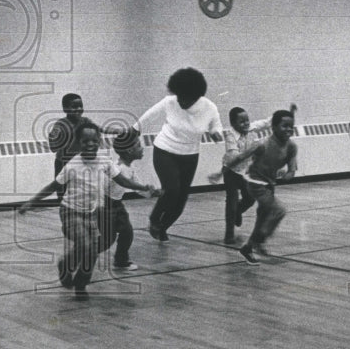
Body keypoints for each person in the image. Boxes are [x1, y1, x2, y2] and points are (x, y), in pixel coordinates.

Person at [19, 124, 156, 297]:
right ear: (79, 142)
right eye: (85, 141)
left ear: (99, 141)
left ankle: (78, 281)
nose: (90, 144)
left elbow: (124, 181)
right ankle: (68, 269)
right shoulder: (72, 165)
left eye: (94, 140)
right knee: (86, 245)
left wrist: (145, 187)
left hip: (91, 214)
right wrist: (31, 202)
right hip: (70, 212)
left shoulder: (105, 161)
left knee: (91, 249)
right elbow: (53, 186)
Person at [132, 68, 223, 242]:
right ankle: (154, 219)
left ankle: (162, 227)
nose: (180, 101)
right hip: (165, 150)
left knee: (181, 200)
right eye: (178, 96)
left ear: (196, 96)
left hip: (190, 155)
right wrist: (134, 129)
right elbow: (149, 115)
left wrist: (215, 132)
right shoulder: (170, 101)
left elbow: (216, 125)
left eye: (184, 98)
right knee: (172, 190)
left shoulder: (209, 107)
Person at [209, 103, 297, 244]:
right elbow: (235, 156)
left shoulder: (252, 128)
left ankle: (238, 210)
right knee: (231, 202)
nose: (246, 124)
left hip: (247, 173)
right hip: (231, 172)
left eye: (247, 120)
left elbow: (269, 121)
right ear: (233, 123)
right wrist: (220, 173)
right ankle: (229, 235)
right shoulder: (230, 135)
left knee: (250, 199)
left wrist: (290, 113)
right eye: (241, 121)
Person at [225, 110, 298, 265]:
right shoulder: (262, 144)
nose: (288, 130)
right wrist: (220, 172)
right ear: (274, 126)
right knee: (278, 210)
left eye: (291, 127)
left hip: (269, 184)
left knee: (262, 218)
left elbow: (292, 170)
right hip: (255, 183)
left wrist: (287, 175)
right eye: (284, 126)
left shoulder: (291, 147)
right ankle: (260, 239)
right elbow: (239, 157)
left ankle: (249, 247)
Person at [96, 129, 149, 271]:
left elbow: (137, 187)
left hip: (118, 205)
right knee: (108, 239)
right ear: (130, 151)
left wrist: (151, 192)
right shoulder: (116, 168)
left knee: (127, 232)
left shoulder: (130, 168)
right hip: (106, 207)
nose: (142, 148)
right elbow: (101, 187)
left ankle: (121, 261)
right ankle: (86, 253)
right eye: (138, 146)